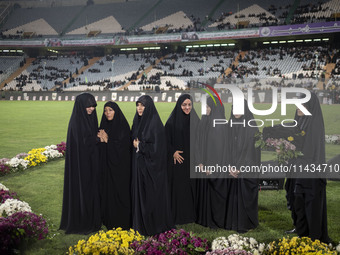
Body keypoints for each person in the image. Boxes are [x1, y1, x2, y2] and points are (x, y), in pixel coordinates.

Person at [290, 93, 331, 243]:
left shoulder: (313, 123)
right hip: (299, 170)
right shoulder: (300, 121)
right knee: (299, 202)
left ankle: (313, 237)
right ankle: (303, 234)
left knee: (309, 204)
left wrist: (290, 147)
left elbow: (309, 150)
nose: (297, 108)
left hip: (309, 172)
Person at [131, 95, 173, 236]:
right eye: (138, 105)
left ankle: (153, 224)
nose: (140, 108)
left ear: (149, 107)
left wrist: (140, 146)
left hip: (153, 170)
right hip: (139, 168)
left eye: (142, 105)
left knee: (151, 198)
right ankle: (140, 223)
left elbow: (158, 149)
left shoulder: (155, 124)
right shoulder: (137, 121)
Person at [60, 93, 101, 234]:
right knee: (84, 190)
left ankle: (92, 218)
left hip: (91, 163)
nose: (91, 109)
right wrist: (98, 139)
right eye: (88, 106)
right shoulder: (76, 122)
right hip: (81, 166)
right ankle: (84, 220)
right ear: (81, 106)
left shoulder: (90, 119)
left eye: (93, 106)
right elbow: (84, 143)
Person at [225, 100, 260, 233]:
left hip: (246, 169)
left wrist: (240, 168)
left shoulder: (251, 126)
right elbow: (226, 148)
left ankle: (246, 222)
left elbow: (252, 153)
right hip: (231, 168)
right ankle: (232, 221)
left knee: (244, 192)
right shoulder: (230, 125)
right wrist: (229, 166)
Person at [165, 94, 200, 225]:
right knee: (179, 189)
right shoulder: (171, 122)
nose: (187, 107)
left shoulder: (196, 120)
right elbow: (165, 140)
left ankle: (192, 216)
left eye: (189, 105)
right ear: (179, 105)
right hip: (178, 162)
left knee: (192, 189)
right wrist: (172, 152)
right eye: (184, 105)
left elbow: (201, 141)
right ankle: (178, 216)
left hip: (193, 162)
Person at [97, 101, 132, 230]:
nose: (107, 113)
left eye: (110, 110)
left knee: (119, 193)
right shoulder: (104, 125)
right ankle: (107, 218)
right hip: (107, 169)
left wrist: (108, 141)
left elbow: (124, 148)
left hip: (121, 170)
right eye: (105, 110)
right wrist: (100, 140)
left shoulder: (122, 126)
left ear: (116, 111)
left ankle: (121, 220)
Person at [195, 96, 228, 229]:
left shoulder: (220, 126)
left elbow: (218, 149)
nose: (206, 110)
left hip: (215, 167)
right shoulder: (205, 121)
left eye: (208, 107)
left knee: (216, 193)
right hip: (205, 165)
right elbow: (198, 143)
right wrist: (200, 162)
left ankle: (216, 220)